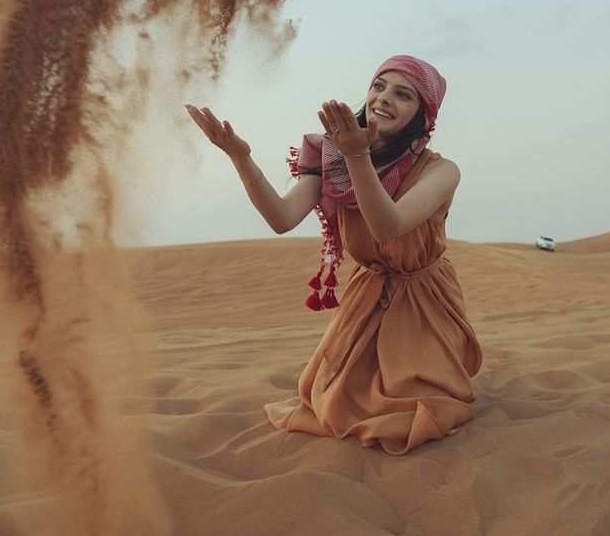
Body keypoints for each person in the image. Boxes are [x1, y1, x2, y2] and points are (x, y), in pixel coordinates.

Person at [185, 55, 482, 455]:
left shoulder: (441, 171)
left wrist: (357, 157)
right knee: (329, 401)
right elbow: (281, 217)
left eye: (403, 94)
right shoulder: (332, 157)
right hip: (366, 300)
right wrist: (240, 157)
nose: (384, 99)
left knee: (415, 413)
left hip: (423, 302)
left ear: (423, 113)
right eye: (379, 86)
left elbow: (387, 225)